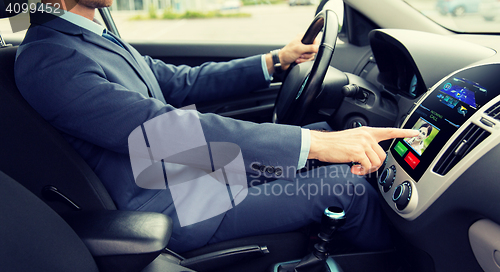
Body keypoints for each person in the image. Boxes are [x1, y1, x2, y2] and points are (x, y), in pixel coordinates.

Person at [14, 0, 418, 253]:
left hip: (189, 176)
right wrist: (315, 145)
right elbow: (160, 129)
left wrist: (277, 60)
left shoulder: (90, 38)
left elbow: (179, 82)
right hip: (172, 203)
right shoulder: (51, 59)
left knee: (319, 137)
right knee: (345, 186)